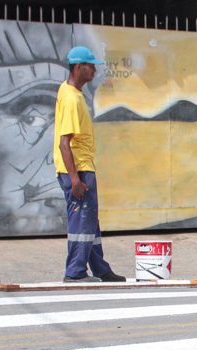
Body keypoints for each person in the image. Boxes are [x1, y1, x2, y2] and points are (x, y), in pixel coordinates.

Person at [53, 46, 125, 283]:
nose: (94, 69)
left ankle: (101, 269)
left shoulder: (68, 91)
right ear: (78, 67)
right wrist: (75, 179)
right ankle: (74, 272)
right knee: (82, 222)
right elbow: (65, 143)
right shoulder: (72, 99)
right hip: (78, 169)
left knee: (90, 220)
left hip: (81, 167)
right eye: (90, 65)